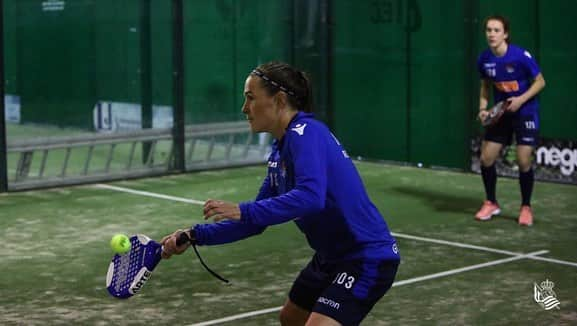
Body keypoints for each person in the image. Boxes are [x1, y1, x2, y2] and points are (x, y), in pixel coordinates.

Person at [161, 61, 400, 325]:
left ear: (280, 100)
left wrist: (243, 209)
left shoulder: (306, 132)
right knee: (291, 318)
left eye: (250, 98)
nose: (244, 108)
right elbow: (253, 224)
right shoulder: (279, 153)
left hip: (365, 257)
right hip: (329, 258)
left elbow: (311, 197)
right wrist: (194, 235)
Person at [475, 15, 546, 226]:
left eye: (496, 30)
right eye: (488, 30)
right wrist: (483, 109)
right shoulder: (484, 59)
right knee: (486, 158)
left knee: (524, 160)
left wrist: (521, 100)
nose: (491, 34)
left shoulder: (520, 56)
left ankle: (526, 207)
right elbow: (485, 86)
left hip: (525, 112)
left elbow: (540, 82)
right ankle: (491, 202)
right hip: (501, 113)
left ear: (505, 34)